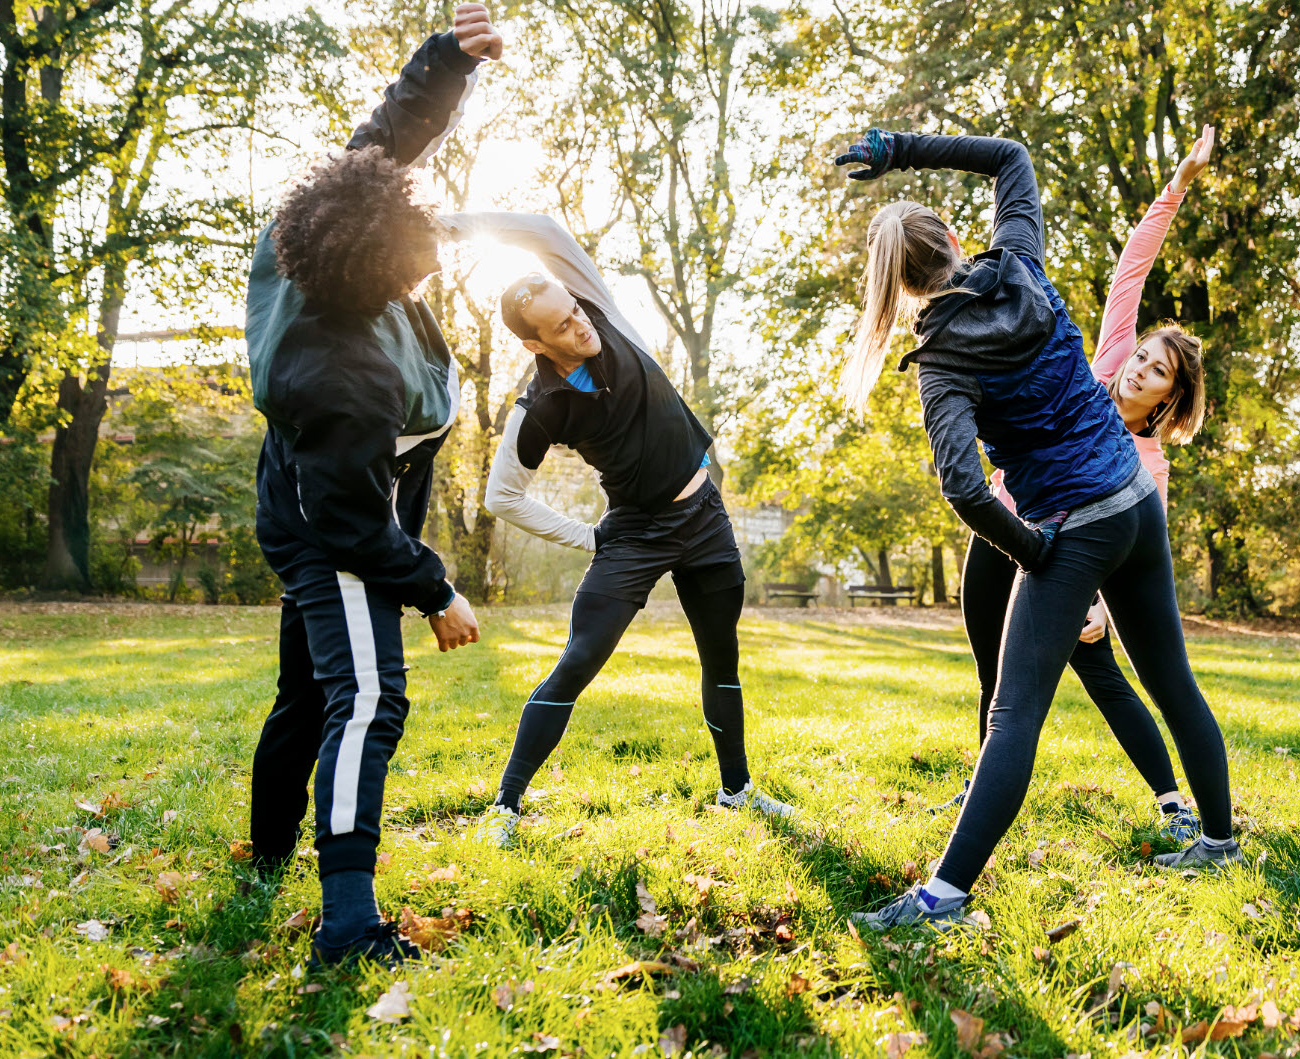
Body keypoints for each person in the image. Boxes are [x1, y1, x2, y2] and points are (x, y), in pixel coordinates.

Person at [831, 127, 1238, 932]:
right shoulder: (1018, 258)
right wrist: (898, 150)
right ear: (953, 237)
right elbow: (1013, 155)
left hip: (1073, 525)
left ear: (900, 290)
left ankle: (942, 897)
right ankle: (1219, 839)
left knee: (1012, 715)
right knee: (1171, 681)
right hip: (1133, 501)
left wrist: (1034, 551)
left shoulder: (942, 362)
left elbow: (962, 487)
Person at [243, 5, 501, 966]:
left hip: (302, 499)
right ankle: (347, 924)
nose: (430, 253)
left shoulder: (304, 233)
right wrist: (434, 588)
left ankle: (266, 852)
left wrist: (444, 61)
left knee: (308, 692)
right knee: (365, 700)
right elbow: (352, 518)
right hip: (330, 531)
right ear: (375, 277)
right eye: (417, 254)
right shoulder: (345, 371)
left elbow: (380, 145)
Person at [439, 210, 793, 848]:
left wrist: (460, 224)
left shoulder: (598, 310)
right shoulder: (540, 406)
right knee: (579, 661)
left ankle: (737, 790)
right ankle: (506, 805)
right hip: (633, 534)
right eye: (562, 327)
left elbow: (546, 233)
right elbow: (501, 496)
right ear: (534, 345)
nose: (579, 324)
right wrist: (588, 537)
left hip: (705, 519)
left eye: (574, 308)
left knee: (722, 659)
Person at [942, 127, 1217, 849]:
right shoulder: (1098, 365)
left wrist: (1094, 599)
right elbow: (1132, 267)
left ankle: (1170, 799)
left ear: (1166, 399)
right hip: (1001, 526)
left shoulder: (1145, 464)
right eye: (1141, 356)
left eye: (1156, 371)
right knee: (991, 672)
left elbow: (1128, 542)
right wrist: (1177, 184)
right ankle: (982, 789)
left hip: (1069, 555)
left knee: (1104, 677)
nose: (1137, 369)